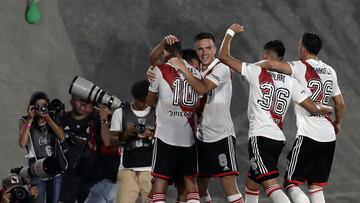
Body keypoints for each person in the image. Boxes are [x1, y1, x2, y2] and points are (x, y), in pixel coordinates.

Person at [218, 24, 333, 203]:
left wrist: (230, 32)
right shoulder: (291, 81)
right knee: (252, 181)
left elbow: (223, 57)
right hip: (277, 140)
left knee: (271, 186)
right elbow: (312, 108)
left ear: (265, 56)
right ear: (282, 59)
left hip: (260, 136)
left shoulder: (255, 71)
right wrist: (326, 109)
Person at [257, 32, 345, 203]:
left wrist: (250, 67)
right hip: (328, 135)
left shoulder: (298, 66)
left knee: (291, 183)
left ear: (303, 49)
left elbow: (271, 65)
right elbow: (340, 104)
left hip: (309, 135)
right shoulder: (330, 71)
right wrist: (337, 123)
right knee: (315, 186)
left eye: (299, 45)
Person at [168, 32, 243, 203]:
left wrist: (183, 67)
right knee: (200, 187)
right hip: (202, 137)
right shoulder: (197, 70)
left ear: (214, 49)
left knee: (228, 185)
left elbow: (202, 89)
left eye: (208, 48)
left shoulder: (221, 68)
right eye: (200, 49)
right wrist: (153, 70)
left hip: (221, 136)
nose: (204, 52)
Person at [146, 37, 201, 203]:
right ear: (182, 53)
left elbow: (149, 102)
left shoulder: (160, 70)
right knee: (190, 182)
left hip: (165, 137)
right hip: (188, 138)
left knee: (160, 182)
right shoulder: (195, 72)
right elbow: (197, 105)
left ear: (165, 52)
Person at [59, 96, 119, 203]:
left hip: (106, 179)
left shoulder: (112, 122)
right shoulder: (92, 121)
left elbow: (107, 142)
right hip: (87, 173)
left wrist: (104, 118)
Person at [110, 80, 155, 203]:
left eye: (148, 101)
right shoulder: (121, 113)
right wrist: (125, 135)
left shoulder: (157, 113)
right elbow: (112, 142)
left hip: (151, 170)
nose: (146, 104)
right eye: (142, 101)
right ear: (135, 97)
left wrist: (150, 135)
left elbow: (166, 140)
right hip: (127, 170)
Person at [19, 91, 65, 203]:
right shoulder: (25, 120)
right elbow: (22, 143)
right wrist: (30, 119)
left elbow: (62, 136)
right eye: (38, 107)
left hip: (55, 168)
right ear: (32, 108)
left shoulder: (52, 118)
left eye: (44, 107)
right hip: (37, 169)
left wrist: (49, 119)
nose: (41, 110)